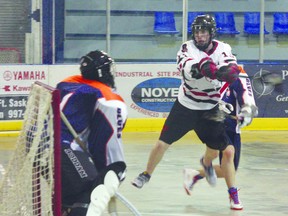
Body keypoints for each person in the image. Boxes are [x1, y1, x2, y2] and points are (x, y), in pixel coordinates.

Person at [132, 14, 245, 210]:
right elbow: (187, 67)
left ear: (211, 33)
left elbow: (230, 65)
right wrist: (205, 68)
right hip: (186, 106)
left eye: (204, 32)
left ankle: (217, 176)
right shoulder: (187, 47)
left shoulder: (223, 48)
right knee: (162, 144)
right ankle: (146, 174)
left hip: (210, 108)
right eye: (197, 32)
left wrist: (228, 70)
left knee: (221, 150)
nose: (199, 36)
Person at [57, 50, 128, 216]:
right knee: (92, 187)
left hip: (39, 150)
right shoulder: (108, 98)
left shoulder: (66, 84)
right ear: (103, 73)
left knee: (71, 195)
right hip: (63, 150)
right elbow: (106, 146)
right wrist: (112, 172)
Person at [183, 66, 258, 210]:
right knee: (228, 152)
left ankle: (196, 174)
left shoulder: (239, 74)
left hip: (231, 126)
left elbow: (249, 102)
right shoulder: (206, 68)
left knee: (229, 170)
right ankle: (233, 195)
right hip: (211, 122)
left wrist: (245, 114)